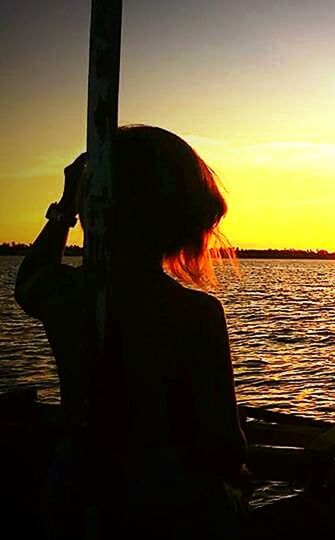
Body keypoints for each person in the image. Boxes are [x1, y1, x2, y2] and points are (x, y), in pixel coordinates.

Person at [15, 125, 247, 538]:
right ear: (181, 214)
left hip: (72, 486)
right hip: (163, 501)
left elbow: (29, 279)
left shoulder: (63, 293)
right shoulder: (194, 314)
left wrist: (65, 204)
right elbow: (226, 447)